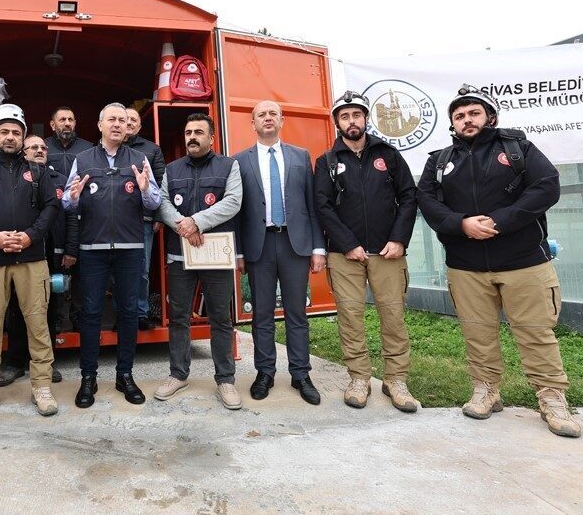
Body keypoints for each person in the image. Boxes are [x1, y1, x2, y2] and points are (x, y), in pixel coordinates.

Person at [417, 84, 580, 437]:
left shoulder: (518, 149)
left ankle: (552, 397)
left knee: (536, 333)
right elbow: (428, 201)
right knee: (478, 333)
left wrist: (499, 221)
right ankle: (486, 389)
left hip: (523, 262)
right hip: (465, 266)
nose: (466, 120)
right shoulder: (440, 160)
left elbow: (547, 186)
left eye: (473, 113)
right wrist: (460, 224)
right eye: (459, 116)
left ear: (489, 116)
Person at [313, 91, 420, 412]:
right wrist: (347, 244)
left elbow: (409, 196)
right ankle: (359, 378)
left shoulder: (388, 155)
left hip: (388, 252)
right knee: (350, 317)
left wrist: (400, 238)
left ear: (366, 119)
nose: (351, 121)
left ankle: (396, 379)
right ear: (337, 123)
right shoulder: (327, 161)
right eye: (344, 117)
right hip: (344, 255)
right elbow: (322, 206)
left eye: (356, 115)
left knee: (393, 316)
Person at [0, 104, 61, 421]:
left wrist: (31, 236)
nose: (10, 137)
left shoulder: (38, 172)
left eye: (16, 132)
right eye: (4, 131)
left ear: (22, 137)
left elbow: (50, 207)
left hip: (32, 259)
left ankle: (42, 387)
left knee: (37, 325)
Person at [63, 102, 160, 408]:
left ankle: (125, 375)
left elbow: (155, 201)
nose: (118, 124)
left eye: (123, 120)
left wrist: (145, 190)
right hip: (92, 250)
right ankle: (88, 377)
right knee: (91, 314)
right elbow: (67, 202)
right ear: (100, 125)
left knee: (129, 312)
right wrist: (73, 198)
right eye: (112, 120)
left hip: (130, 249)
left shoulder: (139, 158)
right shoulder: (83, 159)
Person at [235, 100, 326, 405]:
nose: (268, 117)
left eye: (273, 113)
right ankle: (265, 373)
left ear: (282, 120)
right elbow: (237, 212)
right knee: (261, 314)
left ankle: (301, 374)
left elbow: (312, 206)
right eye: (261, 114)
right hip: (259, 246)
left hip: (294, 244)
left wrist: (317, 248)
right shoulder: (240, 161)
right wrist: (237, 253)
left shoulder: (300, 156)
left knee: (296, 313)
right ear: (253, 123)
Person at [153, 113, 244, 410]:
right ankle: (178, 374)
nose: (192, 137)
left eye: (199, 132)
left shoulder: (229, 166)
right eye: (188, 131)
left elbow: (233, 202)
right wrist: (182, 224)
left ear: (211, 137)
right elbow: (162, 203)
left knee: (220, 318)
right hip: (180, 255)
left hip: (215, 254)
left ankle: (226, 379)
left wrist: (197, 222)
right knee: (179, 317)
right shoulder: (171, 168)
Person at [0, 134, 78, 387]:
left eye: (43, 147)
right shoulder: (12, 178)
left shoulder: (61, 181)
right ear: (23, 152)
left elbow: (72, 218)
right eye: (34, 147)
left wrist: (70, 250)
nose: (40, 150)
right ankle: (14, 362)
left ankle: (45, 362)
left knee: (49, 309)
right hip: (18, 254)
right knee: (16, 310)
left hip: (53, 255)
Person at [124, 106, 167, 330]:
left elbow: (162, 183)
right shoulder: (108, 147)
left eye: (134, 120)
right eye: (126, 119)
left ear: (140, 126)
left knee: (141, 268)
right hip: (113, 220)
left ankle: (140, 313)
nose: (129, 123)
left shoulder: (151, 150)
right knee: (114, 270)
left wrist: (159, 214)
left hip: (144, 219)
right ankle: (123, 313)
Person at [45, 106, 93, 177]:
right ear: (53, 125)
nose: (67, 123)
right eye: (62, 119)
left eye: (70, 120)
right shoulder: (43, 147)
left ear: (75, 123)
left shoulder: (88, 148)